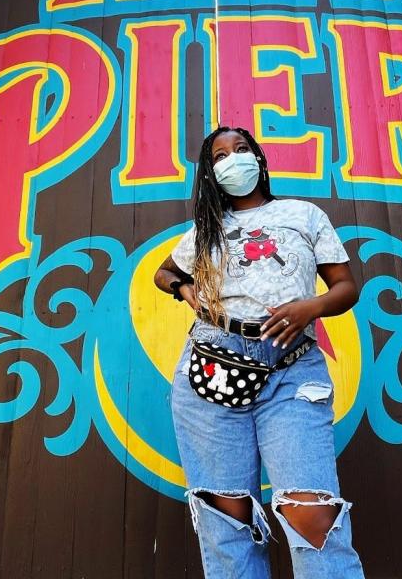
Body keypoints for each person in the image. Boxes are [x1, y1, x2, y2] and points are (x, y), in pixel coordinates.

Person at [153, 126, 366, 578]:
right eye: (220, 155)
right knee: (226, 517)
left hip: (290, 367)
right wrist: (186, 289)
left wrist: (313, 307)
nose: (233, 159)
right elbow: (163, 272)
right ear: (210, 173)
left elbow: (346, 287)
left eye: (241, 149)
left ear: (259, 158)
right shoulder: (206, 230)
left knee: (311, 513)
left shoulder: (303, 214)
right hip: (212, 364)